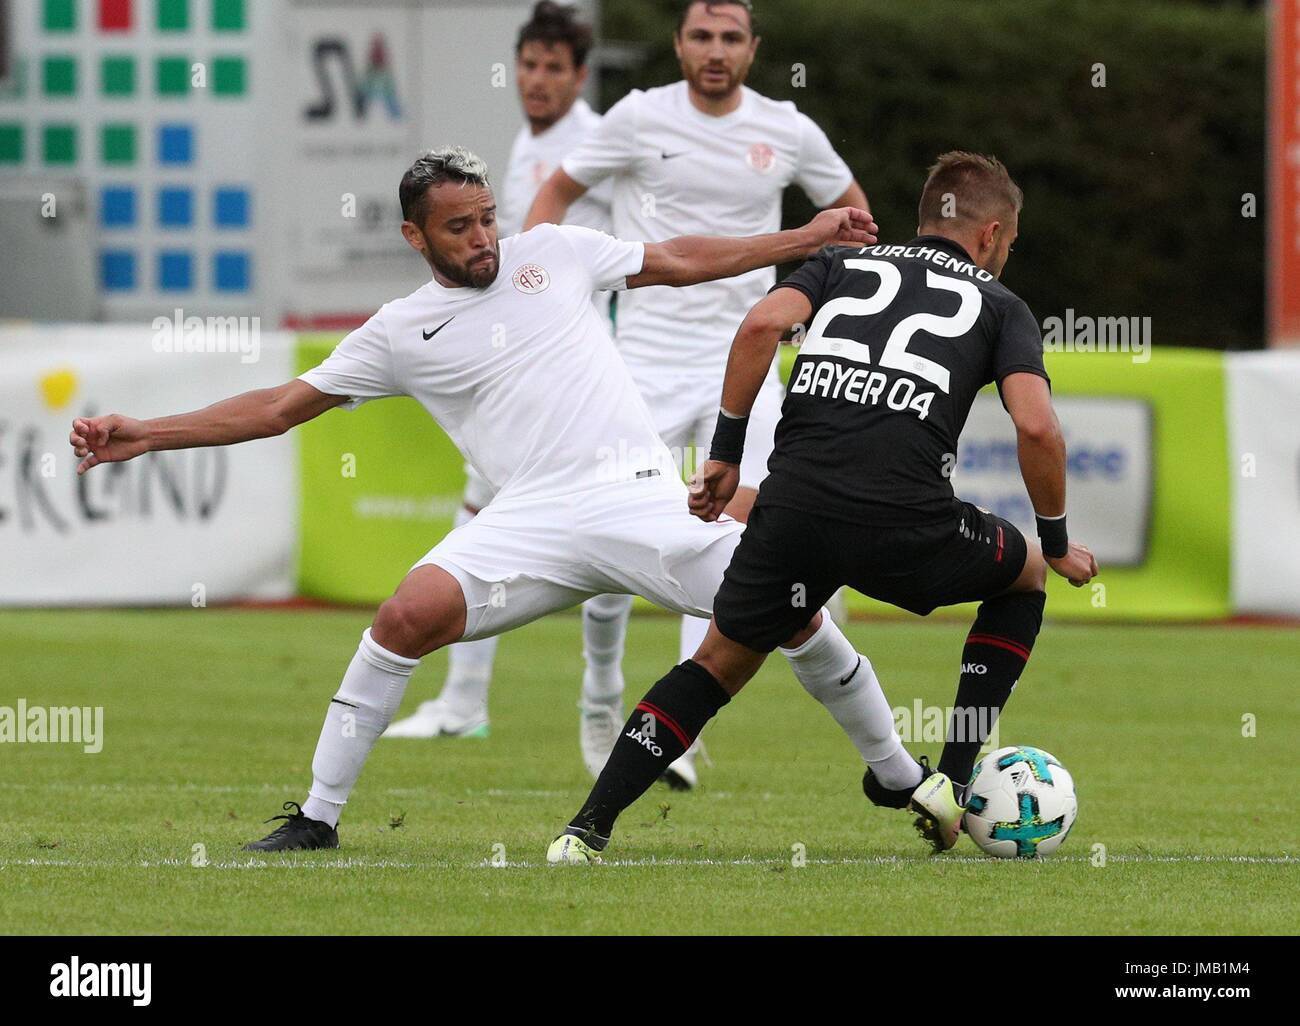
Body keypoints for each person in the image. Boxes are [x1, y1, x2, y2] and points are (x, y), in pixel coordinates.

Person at [68, 147, 909, 853]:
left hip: (637, 493)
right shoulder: (399, 331)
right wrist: (146, 433)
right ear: (414, 235)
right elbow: (279, 408)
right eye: (457, 227)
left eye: (486, 218)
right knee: (403, 615)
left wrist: (803, 236)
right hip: (528, 522)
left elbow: (678, 260)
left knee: (789, 605)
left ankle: (901, 777)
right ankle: (318, 820)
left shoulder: (555, 252)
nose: (482, 239)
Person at [547, 151, 1099, 865]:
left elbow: (757, 327)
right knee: (1024, 574)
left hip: (794, 513)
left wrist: (724, 454)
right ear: (991, 234)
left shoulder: (840, 265)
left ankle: (586, 829)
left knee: (716, 664)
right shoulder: (1002, 306)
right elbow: (1037, 427)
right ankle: (952, 781)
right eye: (1011, 245)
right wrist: (1055, 541)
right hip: (908, 524)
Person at [526, 0, 871, 788]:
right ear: (679, 45)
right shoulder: (638, 116)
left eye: (731, 39)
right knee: (610, 538)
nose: (716, 51)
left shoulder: (787, 128)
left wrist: (831, 308)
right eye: (702, 37)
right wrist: (545, 282)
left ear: (753, 50)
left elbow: (857, 224)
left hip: (746, 364)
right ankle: (600, 696)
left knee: (742, 534)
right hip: (640, 363)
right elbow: (556, 194)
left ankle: (674, 727)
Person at [383, 2, 616, 761]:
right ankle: (465, 701)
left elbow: (598, 253)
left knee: (610, 519)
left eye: (555, 68)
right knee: (481, 504)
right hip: (518, 357)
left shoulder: (593, 141)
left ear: (581, 77)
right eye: (530, 65)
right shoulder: (527, 141)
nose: (538, 80)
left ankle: (600, 700)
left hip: (578, 363)